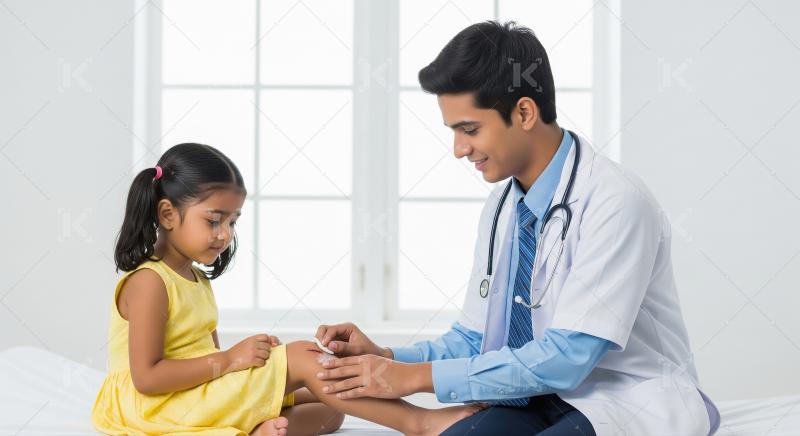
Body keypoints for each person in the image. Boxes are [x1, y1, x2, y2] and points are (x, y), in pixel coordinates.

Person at [314, 21, 721, 435]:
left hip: (626, 399)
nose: (459, 150)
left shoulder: (616, 200)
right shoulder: (504, 206)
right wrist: (389, 358)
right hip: (533, 397)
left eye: (469, 130)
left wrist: (417, 378)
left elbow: (568, 358)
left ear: (524, 112)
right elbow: (475, 338)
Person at [91, 143, 486, 435]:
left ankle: (256, 429)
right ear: (167, 214)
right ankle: (420, 422)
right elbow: (147, 377)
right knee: (301, 357)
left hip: (192, 392)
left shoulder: (193, 277)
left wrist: (238, 362)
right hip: (155, 405)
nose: (225, 234)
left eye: (233, 222)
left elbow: (206, 354)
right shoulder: (149, 283)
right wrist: (230, 361)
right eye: (214, 220)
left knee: (331, 411)